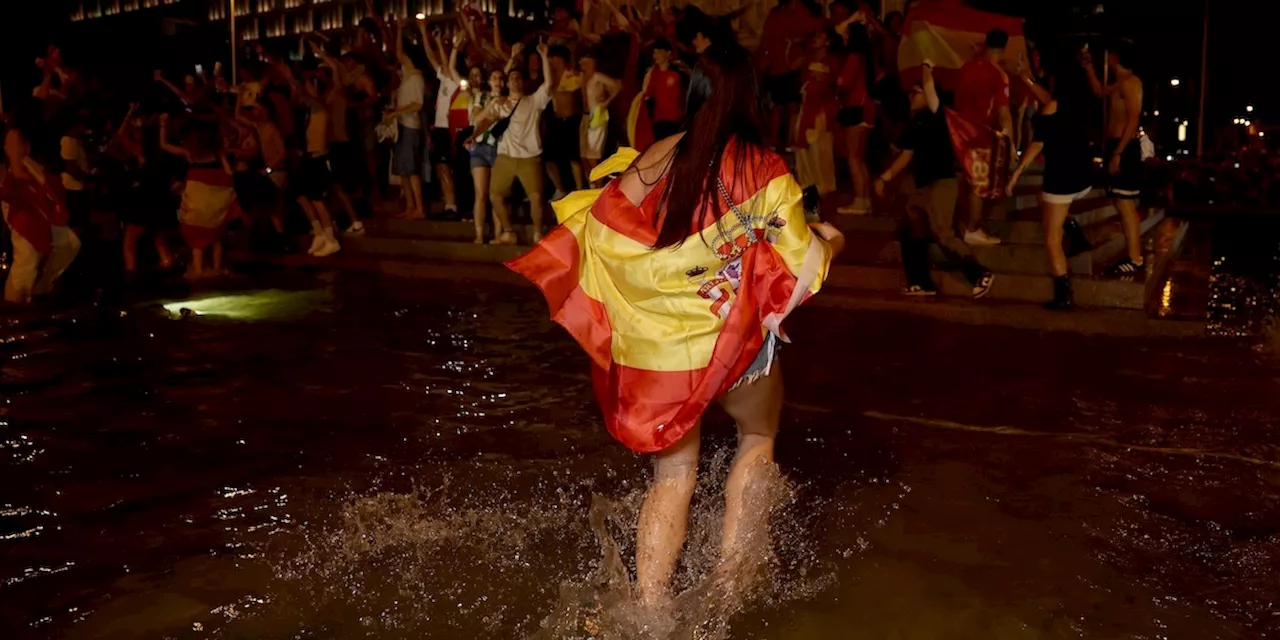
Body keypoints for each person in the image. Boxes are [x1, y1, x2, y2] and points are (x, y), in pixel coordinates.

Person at [507, 42, 844, 608]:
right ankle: (731, 588)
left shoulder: (658, 155)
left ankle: (650, 607)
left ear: (695, 94)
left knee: (672, 477)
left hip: (661, 354)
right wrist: (832, 240)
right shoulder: (765, 169)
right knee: (757, 437)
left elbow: (604, 232)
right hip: (732, 347)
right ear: (752, 99)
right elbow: (798, 261)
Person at [877, 62, 995, 299]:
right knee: (911, 228)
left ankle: (979, 273)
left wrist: (926, 68)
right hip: (924, 185)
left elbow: (931, 91)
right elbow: (906, 154)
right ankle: (921, 282)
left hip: (942, 181)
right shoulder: (915, 122)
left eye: (915, 92)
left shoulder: (937, 115)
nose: (910, 96)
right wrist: (884, 177)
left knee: (942, 230)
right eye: (909, 92)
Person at [1008, 66, 1093, 310]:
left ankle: (1063, 294)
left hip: (1062, 177)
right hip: (1082, 174)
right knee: (1040, 196)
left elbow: (1038, 142)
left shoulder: (1051, 108)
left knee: (1052, 240)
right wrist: (1027, 79)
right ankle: (1076, 236)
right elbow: (1049, 100)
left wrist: (1017, 171)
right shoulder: (1076, 105)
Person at [466, 41, 553, 245]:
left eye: (518, 78)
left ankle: (538, 233)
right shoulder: (502, 104)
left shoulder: (534, 101)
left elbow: (548, 83)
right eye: (511, 78)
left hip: (530, 157)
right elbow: (484, 121)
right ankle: (507, 231)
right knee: (494, 194)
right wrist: (473, 135)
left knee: (536, 197)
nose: (514, 81)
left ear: (523, 82)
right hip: (506, 157)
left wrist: (544, 56)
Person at [1084, 41, 1145, 274]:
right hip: (1116, 145)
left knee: (1125, 203)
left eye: (1107, 55)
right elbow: (1100, 92)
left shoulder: (1130, 82)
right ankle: (1133, 256)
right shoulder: (1118, 82)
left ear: (1116, 57)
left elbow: (1134, 118)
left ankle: (1135, 258)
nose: (1105, 59)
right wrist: (1089, 68)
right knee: (1121, 203)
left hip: (1125, 146)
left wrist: (1119, 153)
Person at [1, 126, 81, 303]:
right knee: (27, 257)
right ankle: (15, 304)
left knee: (69, 243)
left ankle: (39, 288)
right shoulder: (16, 151)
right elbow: (12, 182)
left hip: (35, 207)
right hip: (21, 208)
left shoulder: (32, 165)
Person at [158, 115, 239, 278]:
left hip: (197, 201)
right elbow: (229, 174)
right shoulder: (217, 153)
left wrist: (163, 124)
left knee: (196, 239)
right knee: (216, 237)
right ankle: (216, 271)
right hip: (216, 201)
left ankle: (198, 271)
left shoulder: (191, 153)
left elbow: (163, 145)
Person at [277, 59, 343, 257]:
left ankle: (330, 238)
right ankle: (318, 231)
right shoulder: (313, 109)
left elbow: (302, 92)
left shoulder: (319, 107)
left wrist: (289, 75)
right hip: (309, 158)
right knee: (299, 194)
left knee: (317, 200)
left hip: (319, 159)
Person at [954, 29, 1012, 247]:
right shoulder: (998, 75)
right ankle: (973, 228)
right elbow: (1004, 114)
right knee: (979, 183)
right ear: (1004, 48)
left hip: (960, 131)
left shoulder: (965, 68)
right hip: (982, 134)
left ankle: (964, 223)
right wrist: (1010, 143)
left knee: (965, 180)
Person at [384, 21, 428, 220]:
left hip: (410, 126)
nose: (401, 59)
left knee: (411, 169)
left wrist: (395, 112)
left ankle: (419, 208)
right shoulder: (407, 78)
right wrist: (399, 29)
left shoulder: (417, 78)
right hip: (402, 126)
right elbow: (398, 53)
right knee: (403, 170)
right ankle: (411, 206)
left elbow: (418, 105)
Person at [420, 22, 462, 220]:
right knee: (439, 167)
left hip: (449, 130)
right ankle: (449, 204)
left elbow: (445, 63)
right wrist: (423, 30)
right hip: (439, 129)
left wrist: (439, 42)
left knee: (446, 167)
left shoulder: (456, 80)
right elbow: (429, 57)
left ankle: (452, 206)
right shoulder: (444, 78)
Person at [836, 22, 875, 215]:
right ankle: (865, 199)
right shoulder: (866, 58)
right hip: (867, 110)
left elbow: (844, 83)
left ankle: (860, 200)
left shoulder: (853, 57)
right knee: (860, 159)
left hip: (855, 109)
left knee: (853, 158)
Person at [468, 68, 506, 244]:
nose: (498, 81)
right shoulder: (481, 98)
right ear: (489, 81)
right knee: (480, 193)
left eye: (500, 78)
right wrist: (492, 103)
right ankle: (479, 234)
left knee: (496, 193)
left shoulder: (508, 101)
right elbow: (477, 119)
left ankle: (498, 234)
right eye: (494, 78)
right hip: (481, 147)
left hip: (500, 148)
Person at [544, 45, 585, 200]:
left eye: (555, 57)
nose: (552, 61)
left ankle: (580, 191)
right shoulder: (550, 78)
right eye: (550, 58)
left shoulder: (573, 75)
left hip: (572, 120)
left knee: (574, 158)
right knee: (549, 159)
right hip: (555, 120)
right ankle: (560, 189)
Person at [578, 50, 622, 181]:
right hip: (585, 116)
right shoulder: (581, 77)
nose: (584, 64)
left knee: (592, 154)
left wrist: (606, 102)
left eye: (587, 62)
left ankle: (598, 184)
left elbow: (618, 86)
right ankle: (593, 183)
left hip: (597, 115)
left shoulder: (598, 76)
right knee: (583, 154)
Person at [641, 39, 686, 141]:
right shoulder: (652, 74)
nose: (655, 55)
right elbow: (647, 94)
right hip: (658, 120)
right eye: (654, 52)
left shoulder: (677, 73)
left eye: (659, 51)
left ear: (668, 52)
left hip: (673, 120)